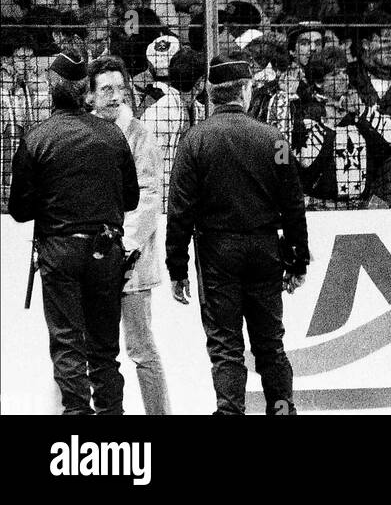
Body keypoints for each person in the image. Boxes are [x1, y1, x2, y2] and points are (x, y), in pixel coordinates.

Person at [165, 57, 309, 416]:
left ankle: (229, 412)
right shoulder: (274, 139)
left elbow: (179, 210)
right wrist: (297, 259)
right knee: (270, 345)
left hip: (217, 251)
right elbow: (293, 205)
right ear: (246, 90)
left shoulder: (195, 140)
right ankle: (281, 408)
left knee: (226, 346)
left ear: (211, 93)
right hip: (265, 248)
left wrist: (177, 268)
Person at [8, 51, 139, 416]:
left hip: (60, 250)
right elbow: (130, 198)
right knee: (104, 348)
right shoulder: (113, 135)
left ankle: (77, 417)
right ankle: (112, 415)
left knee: (67, 343)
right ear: (86, 90)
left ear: (52, 87)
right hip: (106, 248)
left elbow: (19, 210)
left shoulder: (37, 138)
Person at [88, 55, 171, 415]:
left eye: (120, 88)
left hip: (130, 263)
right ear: (90, 94)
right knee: (94, 348)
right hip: (92, 259)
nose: (115, 96)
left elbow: (151, 196)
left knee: (141, 348)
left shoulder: (140, 134)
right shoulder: (84, 131)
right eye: (106, 88)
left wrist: (124, 246)